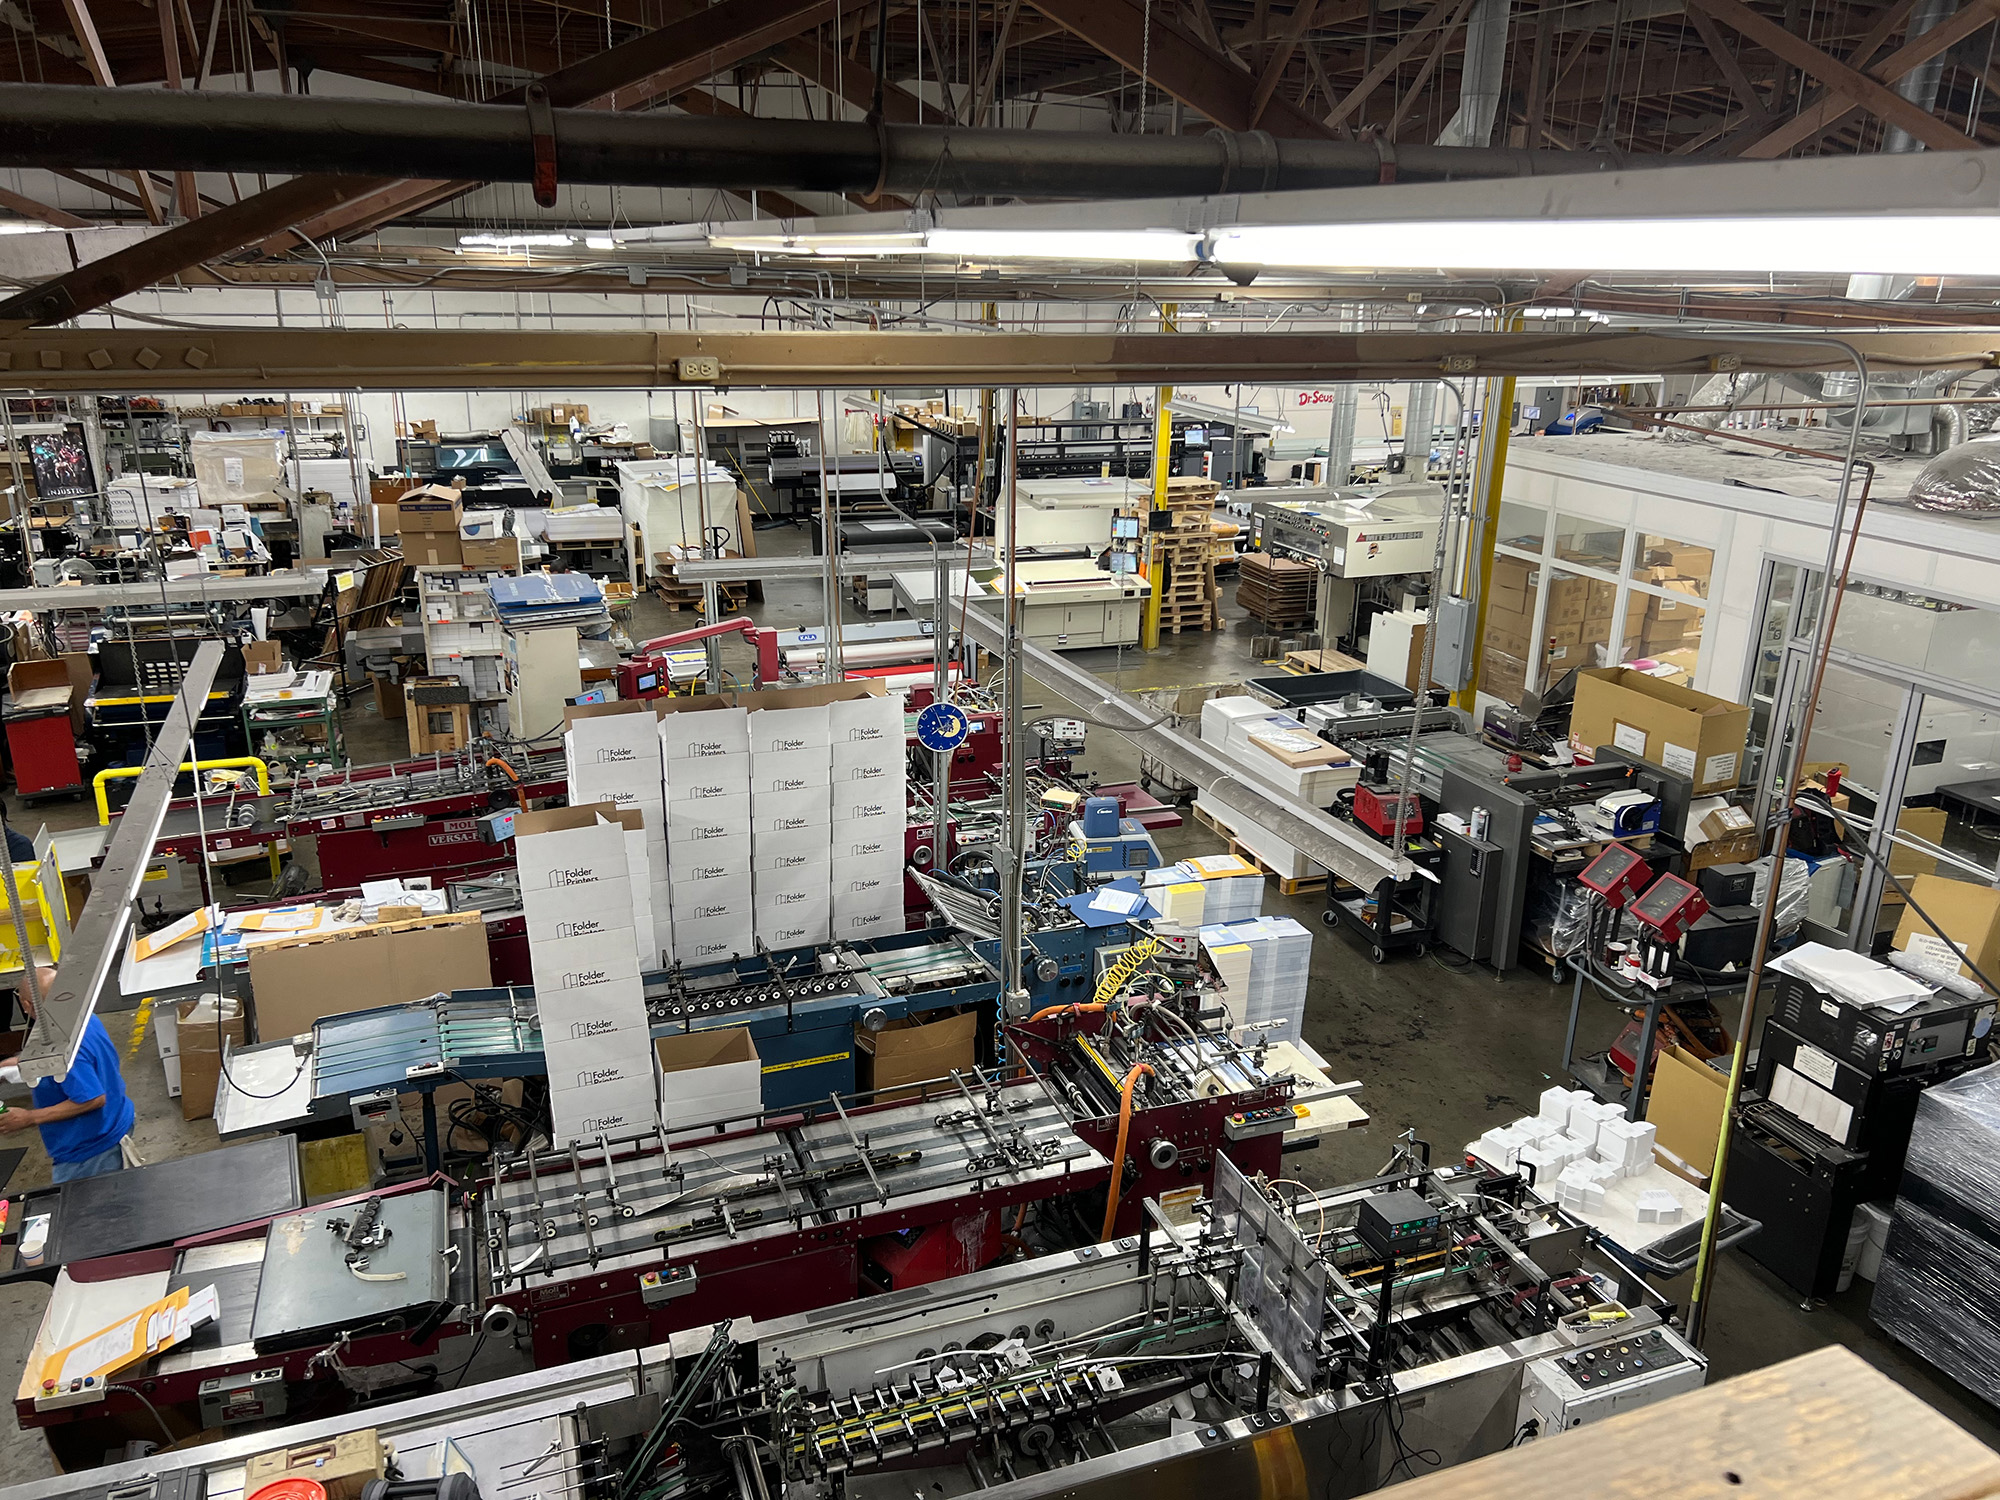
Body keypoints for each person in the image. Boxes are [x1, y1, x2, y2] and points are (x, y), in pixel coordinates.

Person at [0, 968, 135, 1182]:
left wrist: (28, 1118)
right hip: (115, 1121)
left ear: (26, 1006)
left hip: (91, 1152)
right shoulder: (79, 1017)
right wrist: (23, 1063)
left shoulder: (65, 1044)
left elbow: (93, 1098)